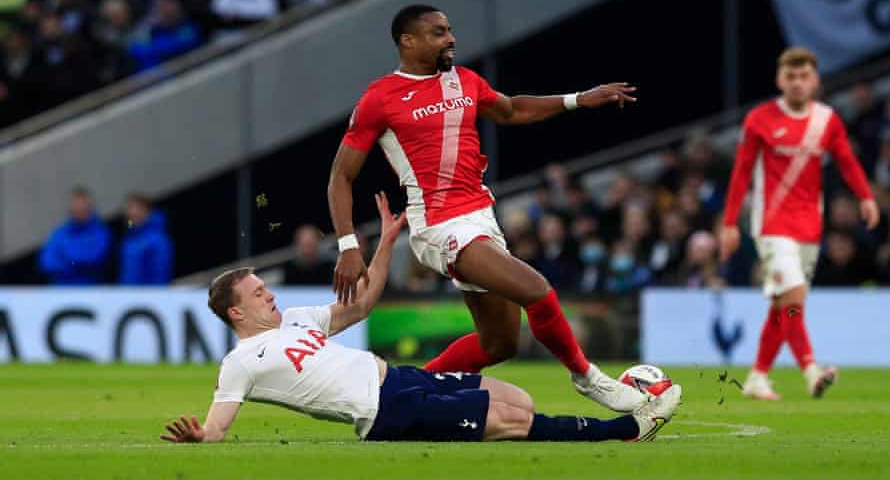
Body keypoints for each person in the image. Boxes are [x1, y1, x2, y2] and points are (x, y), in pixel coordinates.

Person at [160, 193, 681, 444]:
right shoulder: (239, 362)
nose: (268, 295)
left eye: (265, 287)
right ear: (236, 311)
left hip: (400, 379)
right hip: (383, 414)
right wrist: (200, 435)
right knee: (516, 423)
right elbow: (218, 427)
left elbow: (361, 304)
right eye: (258, 293)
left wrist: (386, 243)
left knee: (515, 398)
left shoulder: (296, 319)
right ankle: (626, 431)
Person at [328, 4, 644, 413]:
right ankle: (587, 377)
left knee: (500, 342)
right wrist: (348, 246)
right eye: (438, 32)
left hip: (481, 216)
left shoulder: (465, 81)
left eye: (450, 30)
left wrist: (578, 99)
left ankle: (403, 396)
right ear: (408, 41)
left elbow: (512, 110)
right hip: (438, 224)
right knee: (537, 291)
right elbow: (340, 176)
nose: (451, 39)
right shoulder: (380, 98)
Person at [719, 47, 880, 401]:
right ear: (780, 80)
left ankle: (758, 377)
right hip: (772, 225)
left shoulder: (827, 120)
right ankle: (811, 370)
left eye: (804, 76)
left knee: (785, 305)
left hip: (809, 226)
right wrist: (730, 223)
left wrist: (866, 197)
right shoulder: (759, 119)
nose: (797, 83)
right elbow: (742, 172)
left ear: (815, 81)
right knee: (793, 296)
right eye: (790, 76)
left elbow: (847, 161)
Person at [39, 187, 112, 285]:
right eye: (75, 207)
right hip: (61, 293)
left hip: (90, 293)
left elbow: (93, 259)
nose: (78, 210)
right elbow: (47, 263)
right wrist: (73, 263)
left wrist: (65, 255)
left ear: (89, 207)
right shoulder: (60, 233)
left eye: (82, 207)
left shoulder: (100, 233)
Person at [119, 193, 174, 285]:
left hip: (148, 296)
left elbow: (160, 274)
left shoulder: (158, 240)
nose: (131, 213)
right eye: (129, 209)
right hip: (129, 296)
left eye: (136, 208)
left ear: (147, 211)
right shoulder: (128, 239)